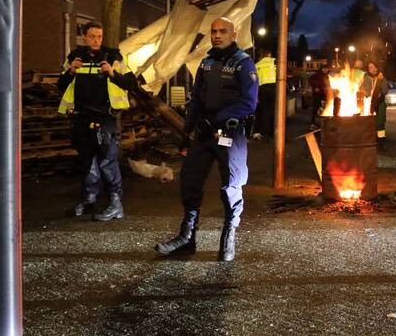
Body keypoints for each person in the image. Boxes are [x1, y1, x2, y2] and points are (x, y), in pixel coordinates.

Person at [155, 17, 258, 262]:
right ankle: (187, 237)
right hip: (203, 134)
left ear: (234, 35)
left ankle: (228, 237)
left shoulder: (244, 64)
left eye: (223, 31)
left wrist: (218, 119)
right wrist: (185, 134)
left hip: (230, 135)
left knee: (231, 187)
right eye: (214, 31)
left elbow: (249, 102)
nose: (217, 35)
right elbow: (196, 103)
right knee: (189, 180)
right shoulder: (206, 63)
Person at [57, 21, 137, 221]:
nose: (96, 40)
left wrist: (112, 73)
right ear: (84, 37)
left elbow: (131, 83)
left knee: (107, 161)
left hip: (105, 118)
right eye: (92, 36)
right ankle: (90, 199)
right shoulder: (74, 57)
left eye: (99, 36)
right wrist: (71, 71)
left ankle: (116, 204)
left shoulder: (113, 56)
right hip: (81, 118)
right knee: (87, 161)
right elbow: (60, 84)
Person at [360, 61, 389, 142]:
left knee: (380, 122)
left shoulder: (381, 77)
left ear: (376, 68)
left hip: (380, 103)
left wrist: (380, 91)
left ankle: (381, 141)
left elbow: (385, 90)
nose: (371, 69)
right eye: (369, 67)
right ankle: (369, 139)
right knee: (368, 121)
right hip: (368, 103)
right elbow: (361, 88)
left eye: (372, 67)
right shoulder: (365, 77)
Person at [254, 50, 277, 138]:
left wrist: (256, 95)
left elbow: (254, 82)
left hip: (262, 90)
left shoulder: (256, 65)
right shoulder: (274, 63)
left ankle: (264, 132)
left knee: (263, 111)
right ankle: (273, 132)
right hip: (274, 89)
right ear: (269, 54)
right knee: (274, 111)